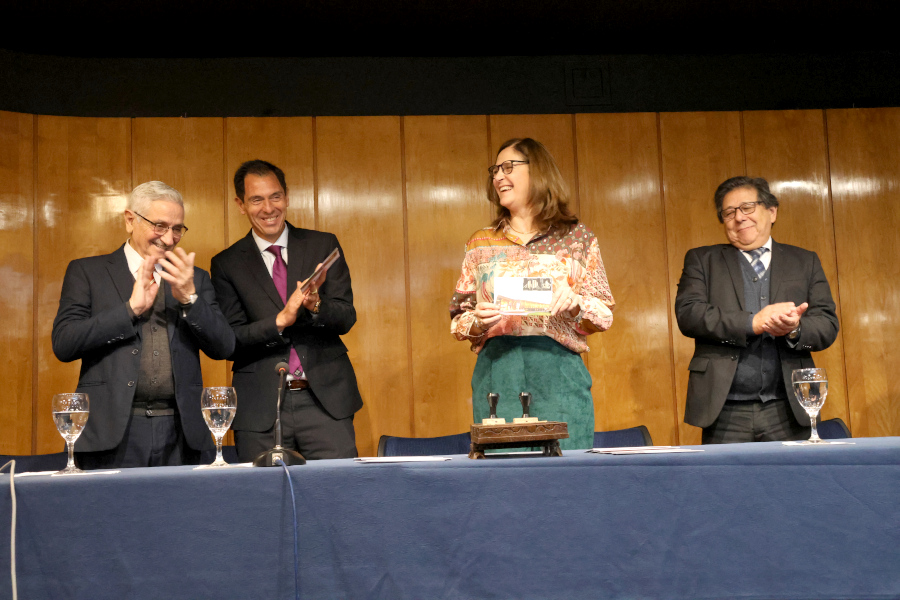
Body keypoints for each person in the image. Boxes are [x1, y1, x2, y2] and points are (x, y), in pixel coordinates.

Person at [51, 181, 235, 468]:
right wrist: (130, 310)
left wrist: (189, 299)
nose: (170, 238)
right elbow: (64, 343)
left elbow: (224, 345)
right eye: (159, 225)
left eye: (177, 228)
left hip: (181, 430)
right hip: (111, 429)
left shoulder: (194, 278)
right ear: (130, 220)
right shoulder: (87, 272)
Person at [449, 138, 615, 450]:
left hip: (559, 372)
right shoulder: (481, 243)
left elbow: (604, 314)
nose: (498, 176)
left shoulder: (578, 239)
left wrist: (578, 306)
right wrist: (477, 322)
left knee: (565, 483)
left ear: (537, 171)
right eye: (495, 170)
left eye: (508, 167)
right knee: (505, 484)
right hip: (498, 372)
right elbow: (458, 317)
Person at [210, 160, 362, 461]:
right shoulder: (226, 263)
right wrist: (279, 321)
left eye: (275, 196)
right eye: (257, 199)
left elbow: (346, 316)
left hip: (325, 401)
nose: (268, 208)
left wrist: (315, 304)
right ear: (241, 204)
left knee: (338, 495)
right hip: (261, 407)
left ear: (287, 197)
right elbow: (230, 339)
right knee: (264, 501)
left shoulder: (322, 245)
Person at [674, 176, 839, 443]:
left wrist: (796, 328)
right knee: (726, 486)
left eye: (747, 207)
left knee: (792, 484)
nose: (739, 217)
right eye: (729, 212)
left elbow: (827, 324)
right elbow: (689, 314)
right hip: (724, 408)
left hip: (788, 407)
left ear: (771, 212)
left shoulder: (804, 261)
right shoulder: (702, 260)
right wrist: (752, 322)